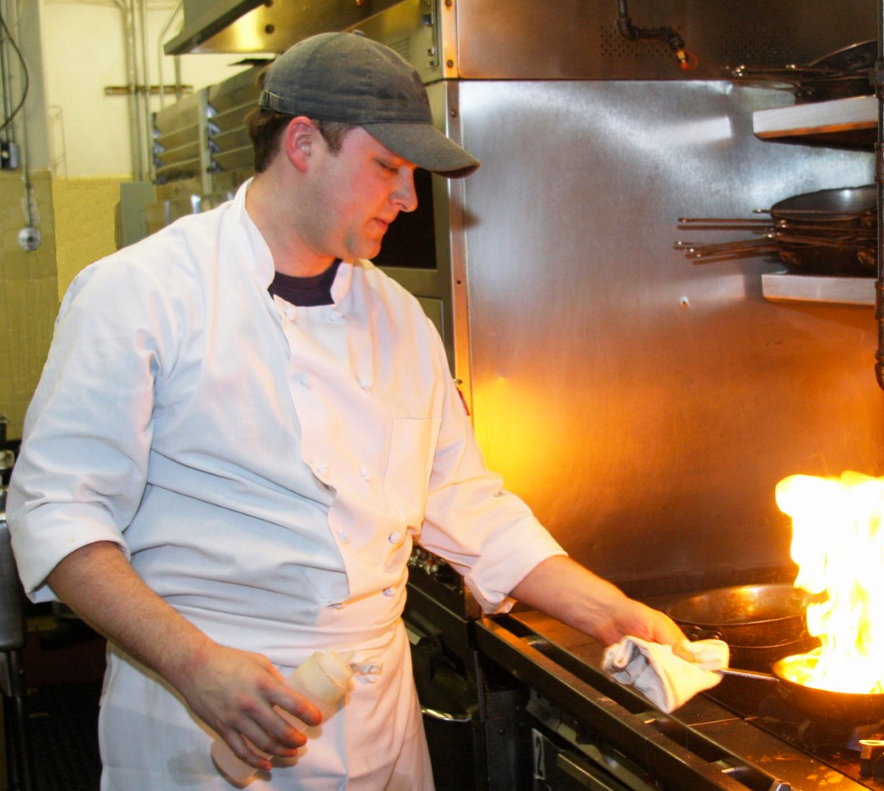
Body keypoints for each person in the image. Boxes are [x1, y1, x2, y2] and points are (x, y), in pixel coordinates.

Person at [7, 31, 689, 790]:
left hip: (378, 722)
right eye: (387, 167)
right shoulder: (139, 294)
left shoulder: (397, 318)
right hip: (204, 719)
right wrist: (198, 667)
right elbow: (57, 514)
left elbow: (462, 498)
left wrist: (605, 607)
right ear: (303, 144)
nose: (407, 196)